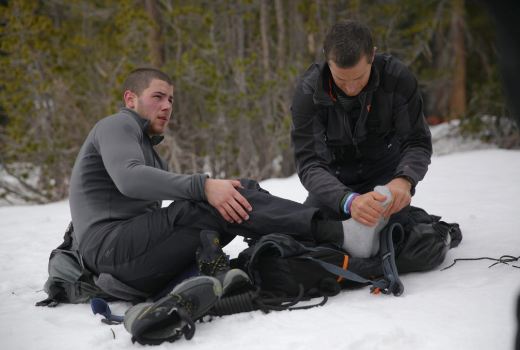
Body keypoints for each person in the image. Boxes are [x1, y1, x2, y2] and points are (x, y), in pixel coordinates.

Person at [69, 67, 348, 300]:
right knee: (212, 202)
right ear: (130, 99)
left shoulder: (148, 150)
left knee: (235, 191)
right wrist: (202, 187)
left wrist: (208, 192)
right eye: (157, 97)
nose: (167, 105)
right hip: (110, 250)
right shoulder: (116, 125)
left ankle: (288, 251)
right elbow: (129, 179)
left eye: (171, 99)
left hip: (130, 259)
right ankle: (335, 232)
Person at [291, 20, 459, 266]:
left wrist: (404, 181)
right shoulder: (308, 92)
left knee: (404, 246)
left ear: (372, 55)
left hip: (385, 180)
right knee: (309, 239)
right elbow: (309, 164)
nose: (350, 88)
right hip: (334, 184)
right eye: (340, 79)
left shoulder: (397, 78)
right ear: (327, 59)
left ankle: (417, 222)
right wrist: (348, 200)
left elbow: (417, 141)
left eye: (358, 78)